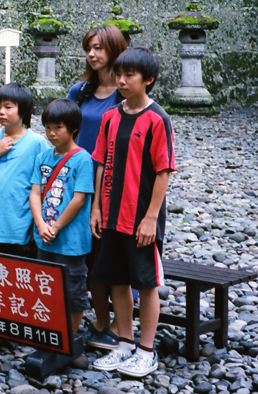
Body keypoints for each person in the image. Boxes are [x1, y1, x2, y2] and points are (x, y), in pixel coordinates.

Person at [90, 47, 175, 378]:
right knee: (117, 280)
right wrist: (97, 207)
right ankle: (124, 343)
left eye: (129, 75)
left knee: (146, 283)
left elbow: (164, 171)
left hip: (140, 216)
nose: (121, 81)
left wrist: (151, 217)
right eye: (118, 74)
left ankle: (146, 351)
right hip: (111, 213)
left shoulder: (157, 119)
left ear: (148, 79)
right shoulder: (111, 117)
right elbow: (101, 163)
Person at [66, 24, 128, 350]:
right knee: (86, 253)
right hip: (79, 180)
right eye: (89, 48)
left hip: (115, 183)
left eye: (99, 48)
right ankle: (101, 319)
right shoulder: (80, 92)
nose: (92, 54)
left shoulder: (125, 93)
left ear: (115, 49)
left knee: (112, 253)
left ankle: (120, 324)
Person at [29, 99, 95, 334]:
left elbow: (79, 199)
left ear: (73, 128)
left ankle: (70, 335)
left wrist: (55, 227)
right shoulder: (43, 157)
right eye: (48, 127)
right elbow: (35, 193)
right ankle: (52, 330)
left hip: (71, 241)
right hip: (44, 236)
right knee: (46, 285)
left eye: (58, 127)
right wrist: (40, 224)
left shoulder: (82, 159)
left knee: (73, 288)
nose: (51, 133)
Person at [0, 83, 49, 257]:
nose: (1, 112)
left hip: (23, 227)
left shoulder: (36, 143)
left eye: (8, 107)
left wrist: (38, 223)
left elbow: (45, 186)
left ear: (23, 110)